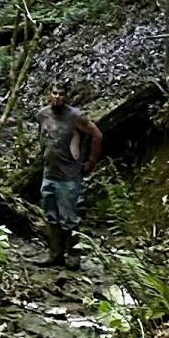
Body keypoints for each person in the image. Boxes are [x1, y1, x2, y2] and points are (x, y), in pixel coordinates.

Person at [39, 87, 102, 264]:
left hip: (69, 175)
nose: (57, 97)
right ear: (49, 94)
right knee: (51, 215)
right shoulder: (43, 114)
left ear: (67, 97)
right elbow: (43, 137)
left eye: (61, 94)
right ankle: (55, 255)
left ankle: (74, 256)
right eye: (54, 93)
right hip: (49, 173)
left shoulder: (76, 116)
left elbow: (97, 135)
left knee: (69, 218)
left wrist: (90, 162)